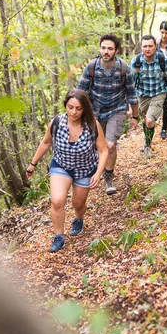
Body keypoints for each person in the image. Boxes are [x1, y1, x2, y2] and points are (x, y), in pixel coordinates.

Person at [26, 90, 108, 253]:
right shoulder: (56, 122)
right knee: (57, 201)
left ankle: (78, 219)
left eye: (78, 108)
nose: (74, 112)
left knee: (78, 204)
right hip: (61, 166)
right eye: (70, 107)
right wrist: (32, 164)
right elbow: (46, 143)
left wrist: (98, 174)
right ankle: (59, 237)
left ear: (84, 109)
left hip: (85, 170)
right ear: (65, 106)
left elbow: (103, 151)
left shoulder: (93, 125)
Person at [77, 33, 138, 195]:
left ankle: (108, 176)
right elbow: (80, 92)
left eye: (110, 49)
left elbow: (132, 94)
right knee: (96, 145)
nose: (106, 51)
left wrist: (136, 117)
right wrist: (75, 115)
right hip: (94, 112)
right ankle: (91, 172)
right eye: (103, 48)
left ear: (116, 51)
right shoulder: (91, 67)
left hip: (116, 110)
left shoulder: (124, 68)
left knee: (110, 145)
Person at [130, 35, 167, 159]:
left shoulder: (163, 59)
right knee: (146, 120)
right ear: (141, 48)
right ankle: (147, 141)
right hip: (142, 95)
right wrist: (130, 105)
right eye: (145, 46)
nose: (147, 49)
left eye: (150, 46)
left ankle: (147, 146)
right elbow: (130, 84)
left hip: (158, 93)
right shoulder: (136, 61)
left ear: (155, 46)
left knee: (150, 120)